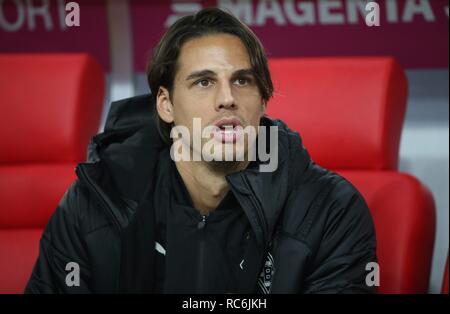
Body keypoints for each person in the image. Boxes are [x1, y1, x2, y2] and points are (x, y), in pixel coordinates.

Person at [25, 7, 377, 294]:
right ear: (166, 105)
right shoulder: (96, 202)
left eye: (242, 80)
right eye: (204, 82)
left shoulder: (329, 208)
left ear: (263, 101)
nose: (227, 98)